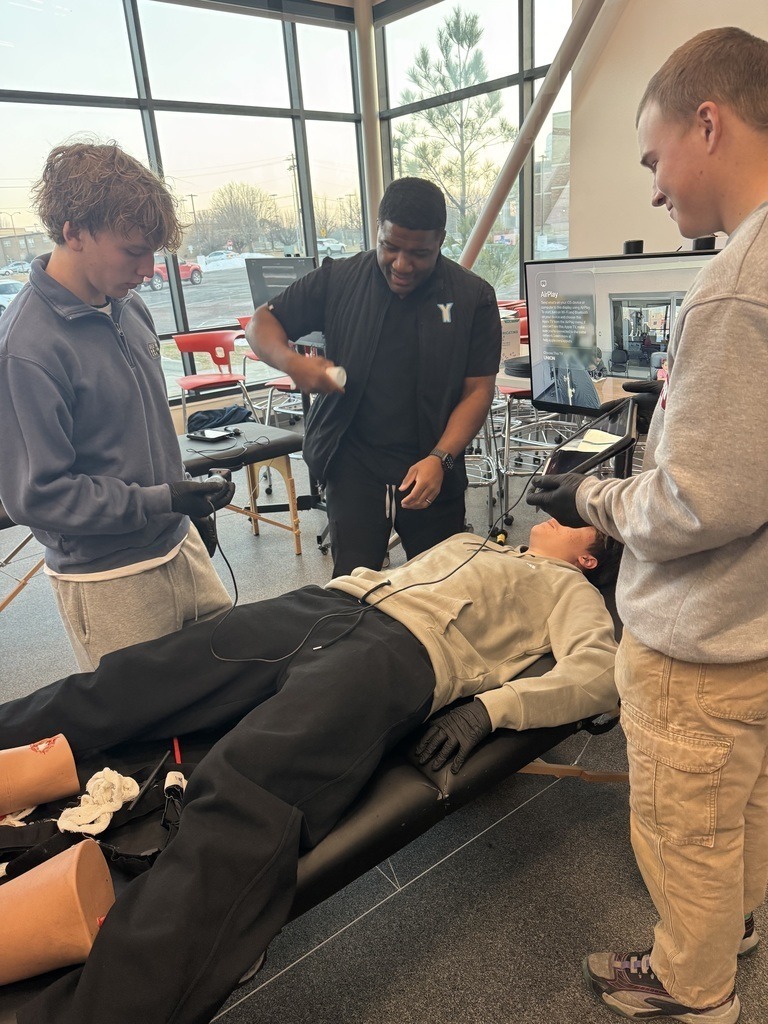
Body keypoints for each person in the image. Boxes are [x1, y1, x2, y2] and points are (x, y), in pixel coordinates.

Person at [0, 520, 620, 1024]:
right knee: (126, 683)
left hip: (396, 657)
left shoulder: (572, 594)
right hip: (321, 608)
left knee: (240, 795)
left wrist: (492, 708)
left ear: (589, 559)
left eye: (573, 524)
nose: (552, 516)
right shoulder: (472, 541)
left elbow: (598, 675)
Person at [526, 27, 768, 1024]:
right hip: (756, 625)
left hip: (699, 642)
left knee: (683, 832)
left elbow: (696, 503)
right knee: (740, 812)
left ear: (706, 123)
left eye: (654, 158)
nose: (657, 188)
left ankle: (693, 987)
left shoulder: (735, 288)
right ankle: (734, 927)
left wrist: (585, 499)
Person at [0, 141, 235, 671]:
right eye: (133, 251)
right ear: (74, 231)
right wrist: (160, 500)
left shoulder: (130, 310)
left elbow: (142, 438)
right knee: (152, 742)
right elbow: (37, 498)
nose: (148, 269)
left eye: (153, 252)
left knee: (234, 694)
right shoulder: (26, 348)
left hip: (180, 547)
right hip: (109, 580)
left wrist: (183, 502)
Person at [246, 176, 502, 577]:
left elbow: (478, 392)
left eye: (419, 253)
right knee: (352, 589)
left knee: (440, 589)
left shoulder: (473, 297)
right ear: (377, 231)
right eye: (390, 247)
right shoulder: (340, 278)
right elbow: (262, 323)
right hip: (353, 463)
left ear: (441, 241)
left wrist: (441, 457)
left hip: (431, 464)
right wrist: (292, 362)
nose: (402, 265)